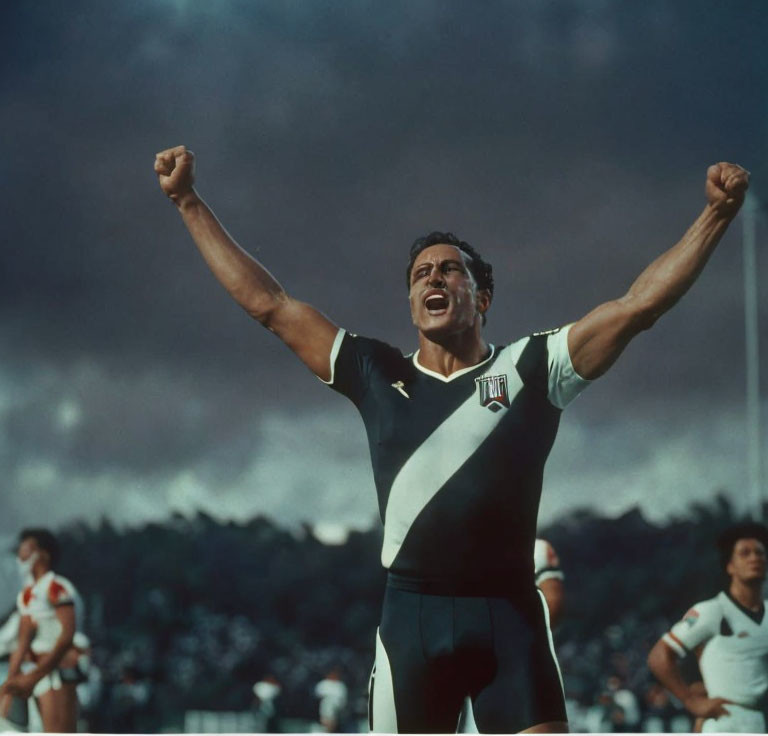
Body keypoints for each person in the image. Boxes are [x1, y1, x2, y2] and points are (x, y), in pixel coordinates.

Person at [155, 145, 748, 733]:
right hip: (412, 621)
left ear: (481, 298)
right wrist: (186, 200)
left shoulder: (534, 367)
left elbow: (638, 306)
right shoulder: (375, 371)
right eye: (420, 274)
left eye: (449, 269)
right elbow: (271, 306)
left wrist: (716, 215)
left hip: (511, 618)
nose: (432, 278)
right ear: (412, 302)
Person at [647, 522, 768, 733]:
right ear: (730, 565)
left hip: (760, 720)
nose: (754, 558)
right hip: (726, 720)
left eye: (759, 553)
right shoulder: (710, 611)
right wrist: (690, 700)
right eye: (745, 553)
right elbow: (659, 657)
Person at [459, 538, 566, 732]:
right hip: (466, 672)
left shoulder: (536, 548)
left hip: (518, 669)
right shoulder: (455, 548)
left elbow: (554, 600)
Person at [0, 529, 90, 733]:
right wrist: (11, 682)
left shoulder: (57, 587)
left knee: (58, 731)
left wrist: (35, 676)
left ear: (43, 554)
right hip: (34, 670)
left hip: (57, 671)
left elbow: (67, 635)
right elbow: (22, 642)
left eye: (26, 550)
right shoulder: (26, 595)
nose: (20, 557)